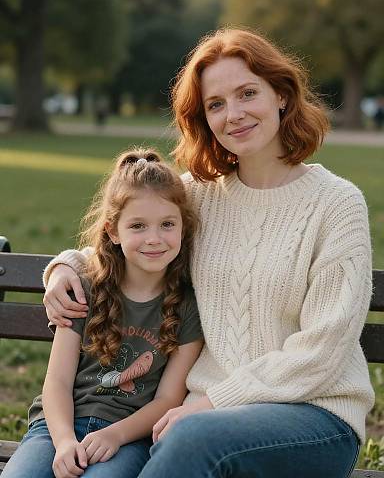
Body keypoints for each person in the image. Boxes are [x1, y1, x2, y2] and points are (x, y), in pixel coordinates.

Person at [42, 28, 374, 478]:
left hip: (312, 417)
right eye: (215, 104)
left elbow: (324, 349)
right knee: (183, 441)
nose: (233, 114)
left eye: (247, 93)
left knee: (190, 440)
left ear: (280, 94)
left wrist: (217, 401)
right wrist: (63, 267)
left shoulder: (336, 204)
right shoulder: (197, 196)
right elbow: (126, 238)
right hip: (198, 416)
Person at [2, 149, 203, 478]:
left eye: (167, 224)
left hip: (129, 438)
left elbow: (168, 399)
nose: (154, 238)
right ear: (113, 231)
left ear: (183, 227)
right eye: (138, 226)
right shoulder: (86, 289)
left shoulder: (186, 306)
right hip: (56, 429)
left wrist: (115, 434)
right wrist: (65, 441)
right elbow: (57, 381)